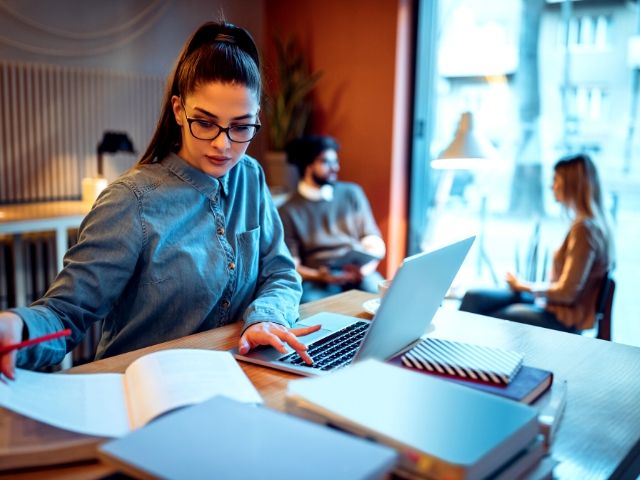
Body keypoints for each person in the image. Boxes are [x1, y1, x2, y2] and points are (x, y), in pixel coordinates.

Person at [0, 21, 320, 379]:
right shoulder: (130, 201)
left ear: (257, 116)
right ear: (179, 109)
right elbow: (65, 314)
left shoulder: (250, 175)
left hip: (234, 377)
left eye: (241, 126)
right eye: (205, 122)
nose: (223, 145)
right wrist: (18, 326)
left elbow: (279, 272)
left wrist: (266, 318)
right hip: (140, 390)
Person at [459, 153, 613, 333]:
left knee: (495, 318)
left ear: (572, 185)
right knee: (473, 297)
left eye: (556, 180)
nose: (551, 186)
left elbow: (567, 293)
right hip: (550, 306)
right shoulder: (592, 225)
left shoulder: (584, 230)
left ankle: (458, 359)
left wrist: (523, 285)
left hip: (563, 318)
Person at [279, 135, 386, 303]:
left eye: (335, 161)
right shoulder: (287, 210)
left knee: (382, 299)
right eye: (326, 162)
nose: (336, 168)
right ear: (307, 165)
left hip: (358, 272)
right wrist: (320, 276)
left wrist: (364, 270)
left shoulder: (352, 193)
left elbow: (373, 239)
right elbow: (292, 265)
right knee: (312, 307)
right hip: (319, 280)